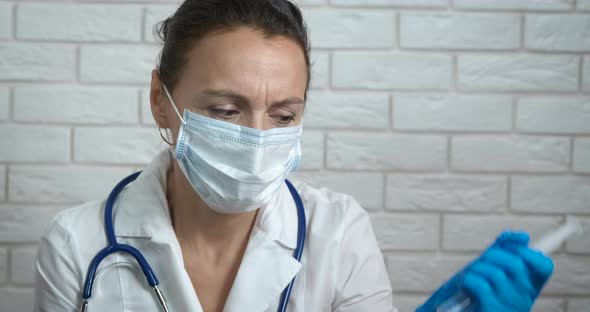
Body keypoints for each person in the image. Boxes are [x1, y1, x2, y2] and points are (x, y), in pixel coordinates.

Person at [33, 1, 553, 311]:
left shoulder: (339, 234)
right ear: (160, 103)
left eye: (283, 116)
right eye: (225, 110)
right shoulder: (77, 246)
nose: (259, 138)